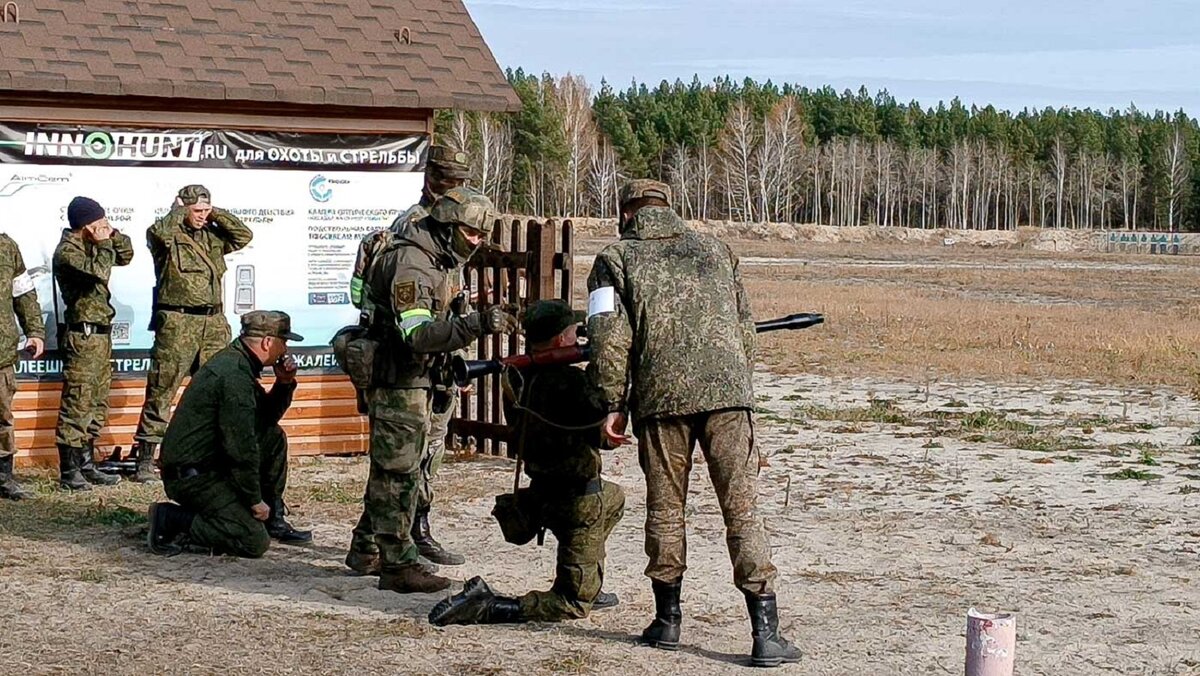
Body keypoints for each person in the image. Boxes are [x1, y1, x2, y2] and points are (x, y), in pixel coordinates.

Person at [585, 180, 802, 668]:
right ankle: (766, 635)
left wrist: (610, 403)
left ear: (625, 215)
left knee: (666, 509)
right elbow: (745, 329)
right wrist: (738, 389)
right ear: (669, 208)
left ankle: (667, 622)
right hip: (729, 396)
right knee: (743, 511)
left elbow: (606, 341)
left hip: (661, 402)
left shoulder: (613, 259)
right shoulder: (717, 249)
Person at [344, 186, 518, 594]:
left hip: (418, 379)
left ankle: (366, 548)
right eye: (471, 234)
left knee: (396, 467)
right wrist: (477, 324)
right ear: (448, 226)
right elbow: (418, 335)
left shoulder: (436, 260)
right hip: (399, 380)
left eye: (481, 236)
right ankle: (398, 565)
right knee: (399, 473)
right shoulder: (413, 265)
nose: (477, 243)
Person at [429, 299, 624, 626]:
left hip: (541, 492)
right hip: (577, 500)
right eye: (574, 332)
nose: (579, 337)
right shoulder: (569, 383)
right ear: (562, 339)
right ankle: (489, 606)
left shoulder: (518, 377)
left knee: (615, 497)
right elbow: (605, 438)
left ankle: (587, 573)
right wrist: (615, 392)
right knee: (572, 603)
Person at [350, 145, 473, 566]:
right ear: (429, 179)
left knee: (424, 454)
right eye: (446, 180)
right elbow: (414, 313)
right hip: (409, 359)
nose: (451, 189)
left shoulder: (456, 228)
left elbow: (451, 295)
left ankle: (388, 536)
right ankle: (400, 538)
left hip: (437, 359)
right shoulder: (415, 230)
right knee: (401, 461)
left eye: (458, 181)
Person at [146, 310, 312, 558]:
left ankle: (272, 519)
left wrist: (284, 383)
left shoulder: (239, 363)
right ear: (267, 342)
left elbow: (263, 422)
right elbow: (240, 446)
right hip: (194, 478)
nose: (285, 349)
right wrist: (254, 500)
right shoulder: (233, 374)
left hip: (210, 465)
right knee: (252, 541)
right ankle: (172, 519)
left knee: (273, 437)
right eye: (283, 341)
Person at [131, 184, 253, 484]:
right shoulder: (167, 236)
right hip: (178, 323)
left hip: (212, 324)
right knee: (163, 389)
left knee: (216, 390)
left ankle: (205, 456)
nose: (202, 216)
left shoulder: (212, 237)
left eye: (205, 210)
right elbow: (158, 233)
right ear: (183, 208)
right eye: (196, 211)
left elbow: (243, 235)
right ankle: (146, 459)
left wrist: (216, 214)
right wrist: (177, 211)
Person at [52, 196, 133, 491]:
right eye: (98, 221)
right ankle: (69, 471)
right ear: (85, 225)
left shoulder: (94, 244)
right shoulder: (67, 252)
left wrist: (111, 235)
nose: (103, 224)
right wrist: (101, 244)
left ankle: (87, 465)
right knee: (78, 401)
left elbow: (125, 255)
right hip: (82, 336)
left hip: (100, 335)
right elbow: (99, 272)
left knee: (96, 402)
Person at [0, 232, 45, 500]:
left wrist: (35, 330)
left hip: (1, 353)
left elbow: (24, 293)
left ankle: (4, 478)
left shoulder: (6, 246)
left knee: (2, 418)